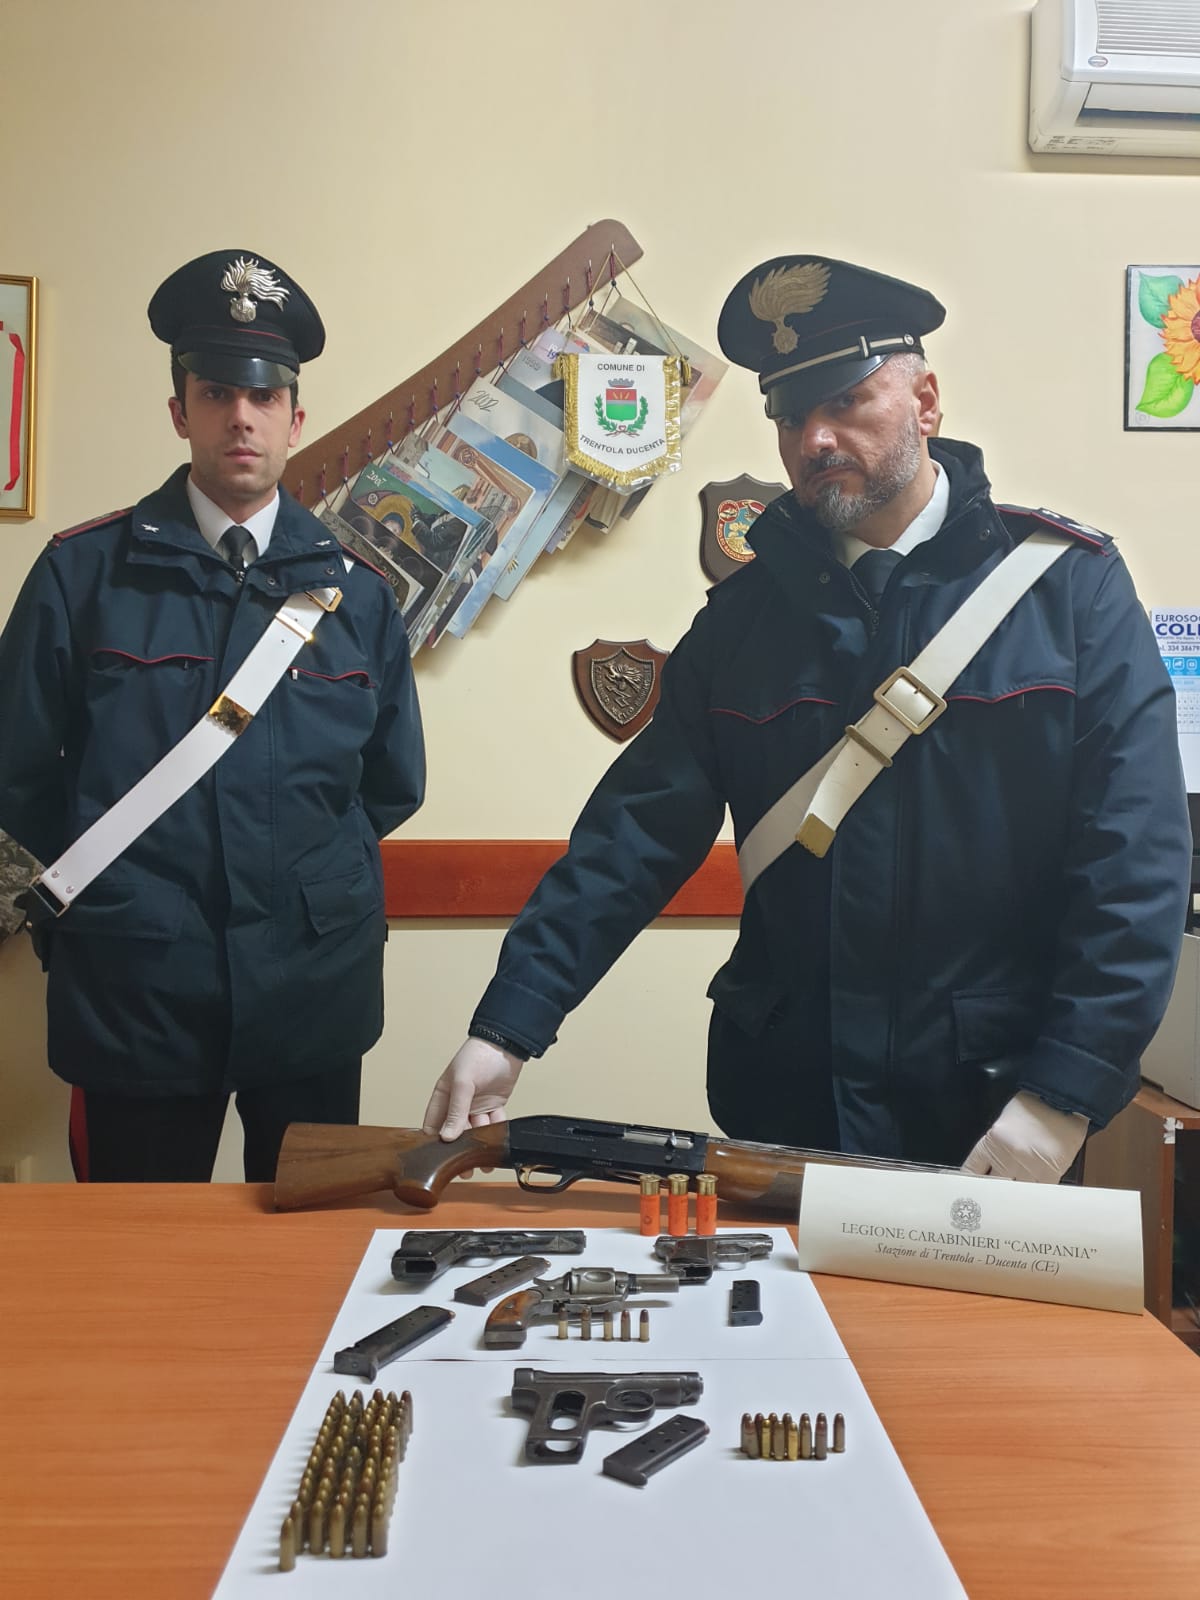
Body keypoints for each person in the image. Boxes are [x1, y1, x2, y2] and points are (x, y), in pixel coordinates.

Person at [421, 253, 1191, 1183]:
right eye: (790, 416)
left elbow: (1134, 860)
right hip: (789, 1104)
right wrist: (508, 1026)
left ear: (926, 401)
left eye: (846, 401)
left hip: (993, 1113)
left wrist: (1067, 1089)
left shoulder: (1067, 594)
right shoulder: (742, 622)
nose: (815, 438)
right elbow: (633, 839)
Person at [0, 249, 425, 1182]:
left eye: (264, 396)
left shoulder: (357, 596)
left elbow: (393, 784)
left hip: (312, 984)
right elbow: (16, 770)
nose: (242, 416)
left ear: (294, 419)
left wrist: (303, 877)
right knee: (137, 1253)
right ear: (179, 411)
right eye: (218, 392)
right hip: (136, 983)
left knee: (308, 1248)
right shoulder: (82, 575)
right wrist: (124, 886)